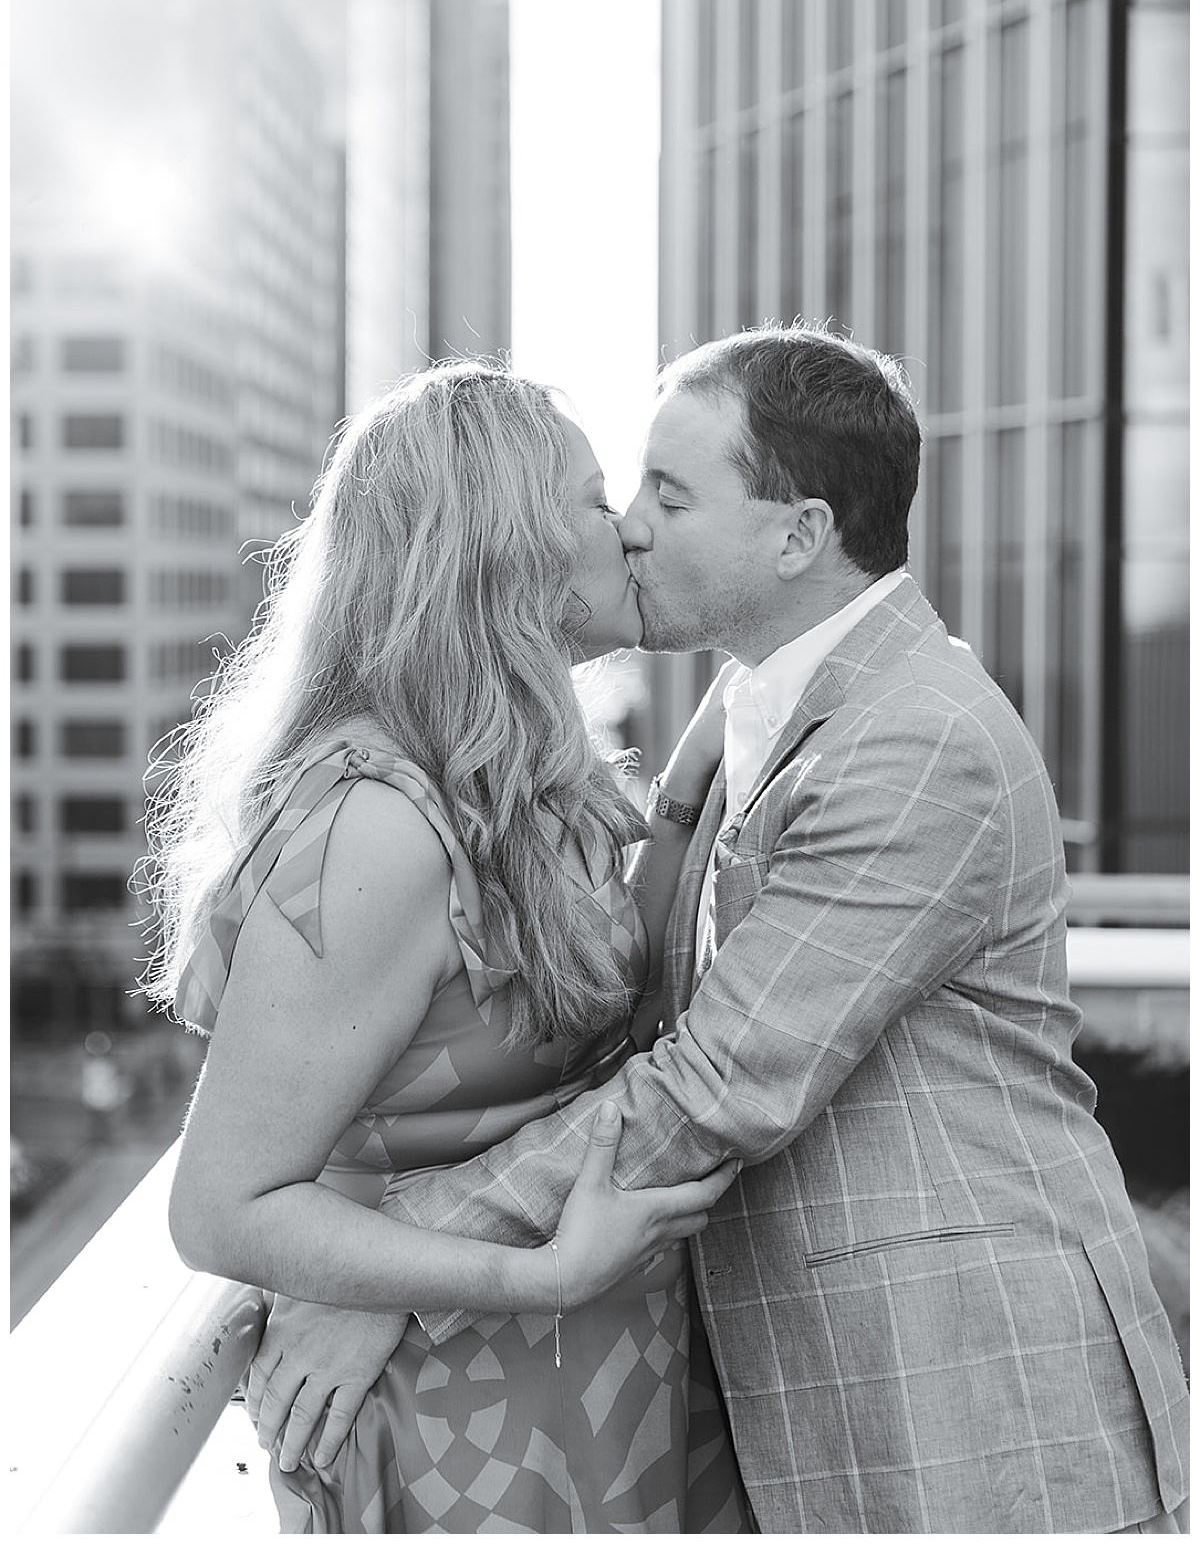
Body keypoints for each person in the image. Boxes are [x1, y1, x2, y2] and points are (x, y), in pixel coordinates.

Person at [362, 326, 1189, 1533]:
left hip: (977, 1417)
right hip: (831, 1413)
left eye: (670, 493)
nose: (626, 525)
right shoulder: (752, 697)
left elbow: (716, 1083)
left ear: (798, 533)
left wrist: (375, 1263)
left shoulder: (918, 741)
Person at [139, 362, 748, 1534]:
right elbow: (218, 1208)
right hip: (467, 1435)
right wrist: (523, 1276)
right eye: (591, 499)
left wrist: (716, 738)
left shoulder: (502, 777)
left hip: (608, 1396)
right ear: (499, 547)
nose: (626, 527)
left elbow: (602, 1015)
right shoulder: (375, 825)